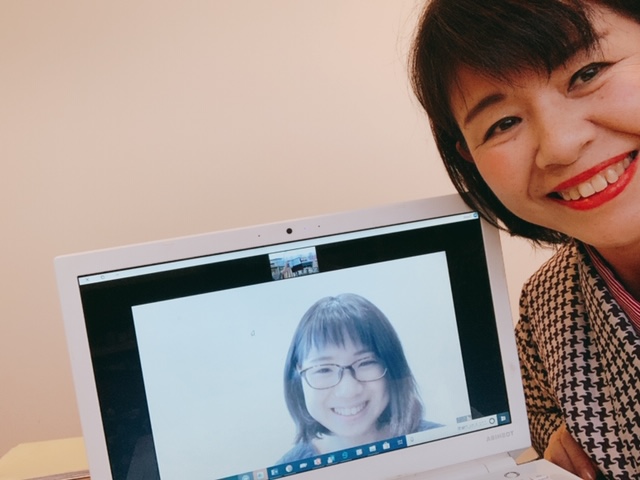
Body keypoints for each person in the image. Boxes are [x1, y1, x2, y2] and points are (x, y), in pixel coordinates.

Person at [410, 1, 640, 479]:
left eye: (588, 73)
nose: (560, 145)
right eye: (504, 123)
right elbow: (542, 434)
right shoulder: (545, 311)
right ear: (468, 157)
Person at [279, 293, 441, 463]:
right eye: (324, 369)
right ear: (298, 377)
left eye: (365, 363)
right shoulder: (288, 468)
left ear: (393, 368)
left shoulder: (442, 444)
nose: (348, 390)